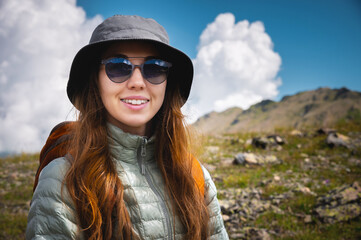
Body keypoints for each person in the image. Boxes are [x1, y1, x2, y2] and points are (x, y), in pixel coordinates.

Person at [26, 15, 228, 240]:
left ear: (168, 83)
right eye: (118, 67)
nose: (137, 82)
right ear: (95, 80)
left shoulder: (195, 176)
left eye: (155, 68)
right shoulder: (62, 181)